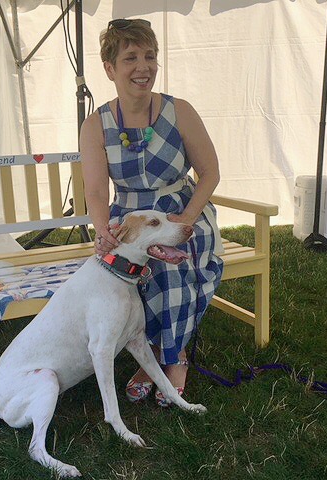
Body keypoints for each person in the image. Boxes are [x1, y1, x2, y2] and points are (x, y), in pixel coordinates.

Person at [79, 18, 223, 407]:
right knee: (123, 271)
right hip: (129, 218)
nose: (143, 67)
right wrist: (101, 228)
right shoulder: (96, 124)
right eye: (130, 58)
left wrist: (189, 217)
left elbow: (209, 173)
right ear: (109, 68)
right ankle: (152, 356)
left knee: (170, 265)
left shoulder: (180, 111)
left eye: (150, 56)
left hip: (181, 211)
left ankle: (173, 359)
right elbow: (94, 189)